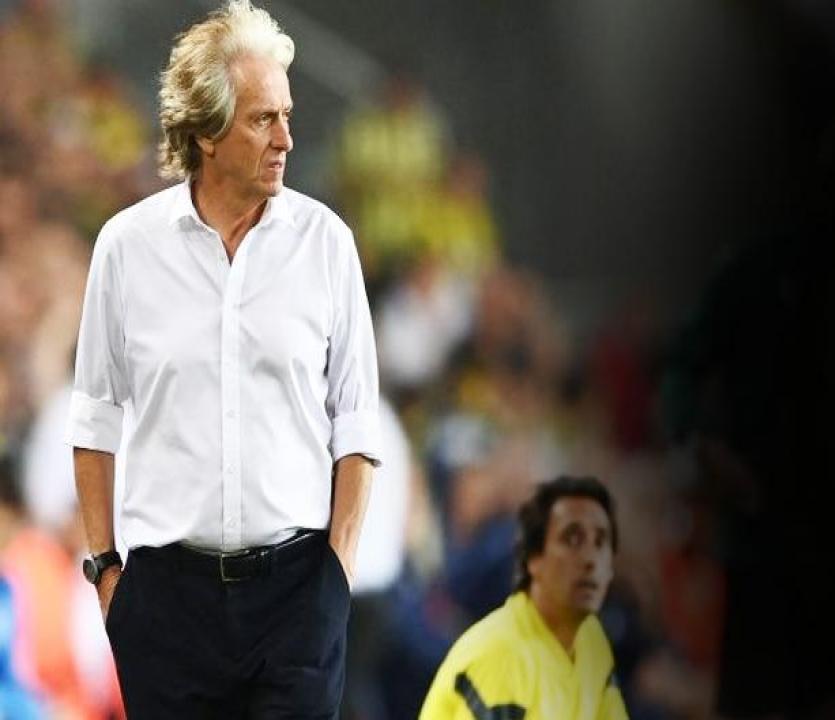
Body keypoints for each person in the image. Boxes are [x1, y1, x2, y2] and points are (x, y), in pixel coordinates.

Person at [64, 1, 380, 716]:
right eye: (263, 119)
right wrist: (107, 574)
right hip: (165, 607)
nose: (286, 139)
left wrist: (338, 574)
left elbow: (357, 423)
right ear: (206, 131)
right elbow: (93, 421)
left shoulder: (328, 245)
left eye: (286, 115)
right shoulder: (125, 247)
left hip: (299, 595)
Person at [419, 476, 628, 719]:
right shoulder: (502, 656)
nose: (590, 559)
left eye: (601, 542)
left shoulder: (591, 640)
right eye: (572, 541)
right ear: (534, 559)